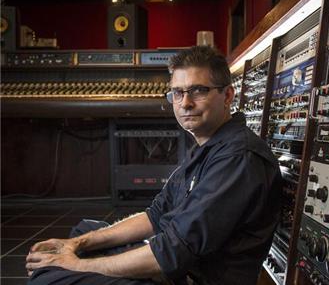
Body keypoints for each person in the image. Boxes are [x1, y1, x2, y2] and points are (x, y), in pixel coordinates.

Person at [26, 46, 283, 285]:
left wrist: (76, 265)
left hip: (193, 277)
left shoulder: (238, 157)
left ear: (227, 95)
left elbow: (170, 255)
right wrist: (77, 244)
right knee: (84, 231)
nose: (185, 103)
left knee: (50, 277)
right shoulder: (209, 146)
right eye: (178, 93)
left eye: (198, 90)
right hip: (175, 261)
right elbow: (156, 215)